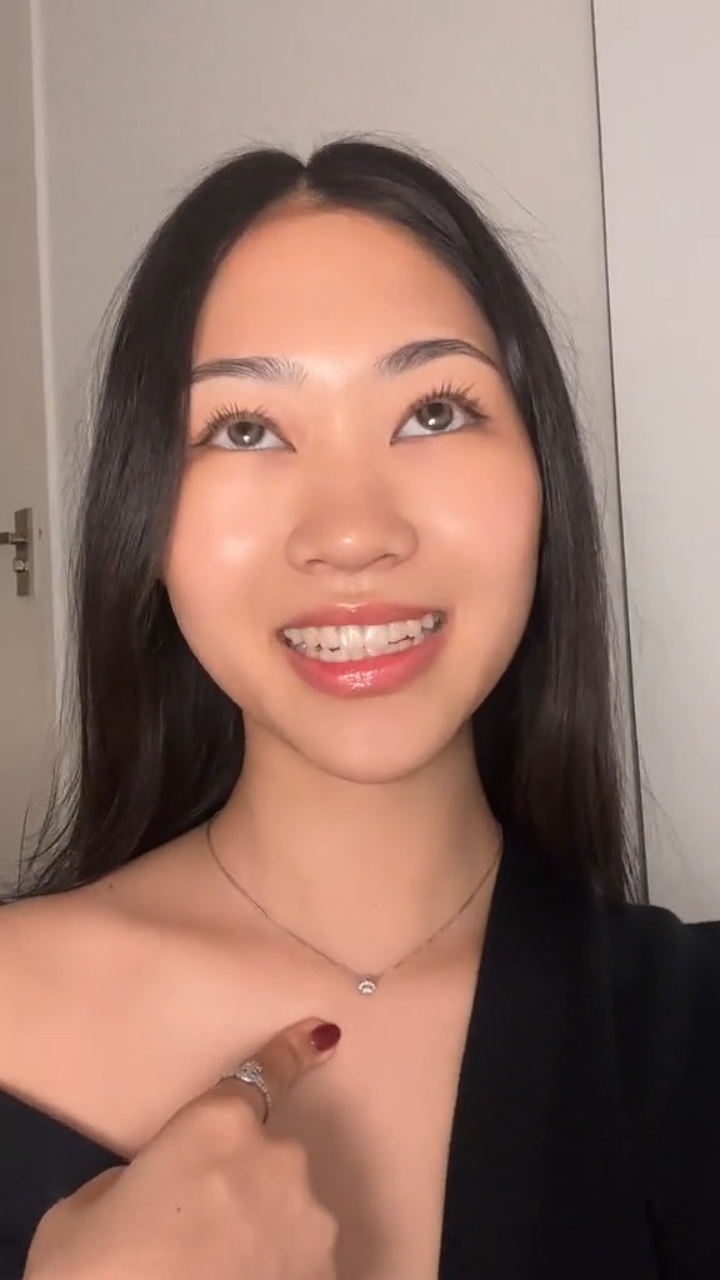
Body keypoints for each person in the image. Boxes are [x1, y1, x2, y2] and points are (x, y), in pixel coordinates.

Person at [0, 137, 718, 1280]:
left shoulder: (690, 1036)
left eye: (433, 410)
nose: (351, 530)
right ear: (148, 515)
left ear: (542, 477)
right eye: (244, 428)